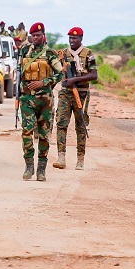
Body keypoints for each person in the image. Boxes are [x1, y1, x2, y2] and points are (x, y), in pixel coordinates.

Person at [17, 22, 63, 181]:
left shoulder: (50, 53)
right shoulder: (24, 51)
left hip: (45, 100)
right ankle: (29, 166)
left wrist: (43, 83)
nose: (35, 38)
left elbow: (60, 74)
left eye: (38, 35)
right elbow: (20, 73)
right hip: (27, 98)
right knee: (26, 132)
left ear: (43, 35)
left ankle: (41, 168)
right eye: (33, 35)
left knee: (44, 135)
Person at [52, 27, 97, 170]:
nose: (72, 41)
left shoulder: (88, 54)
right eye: (70, 38)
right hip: (66, 92)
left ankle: (80, 159)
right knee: (61, 123)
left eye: (75, 38)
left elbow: (93, 75)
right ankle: (61, 157)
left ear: (81, 39)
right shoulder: (63, 54)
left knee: (81, 125)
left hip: (82, 93)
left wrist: (76, 79)